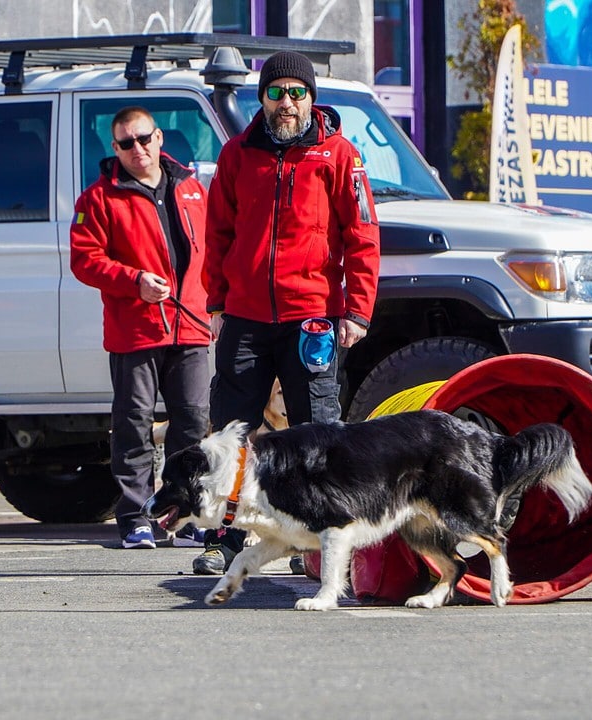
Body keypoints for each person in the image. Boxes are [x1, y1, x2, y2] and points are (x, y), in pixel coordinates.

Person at [195, 51, 381, 575]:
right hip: (246, 319)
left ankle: (320, 548)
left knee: (318, 435)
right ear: (263, 99)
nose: (287, 103)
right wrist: (216, 302)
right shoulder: (236, 156)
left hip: (313, 320)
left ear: (311, 99)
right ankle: (224, 540)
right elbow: (218, 236)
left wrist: (358, 312)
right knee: (231, 433)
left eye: (297, 93)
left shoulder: (340, 155)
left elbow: (362, 237)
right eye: (277, 93)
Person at [70, 106, 212, 549]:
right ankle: (134, 517)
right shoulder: (98, 198)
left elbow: (212, 251)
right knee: (133, 424)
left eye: (144, 138)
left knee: (193, 421)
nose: (138, 149)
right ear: (115, 148)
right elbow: (84, 260)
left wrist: (217, 306)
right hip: (136, 329)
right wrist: (133, 282)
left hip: (190, 326)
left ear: (159, 139)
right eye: (127, 143)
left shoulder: (191, 189)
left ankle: (184, 514)